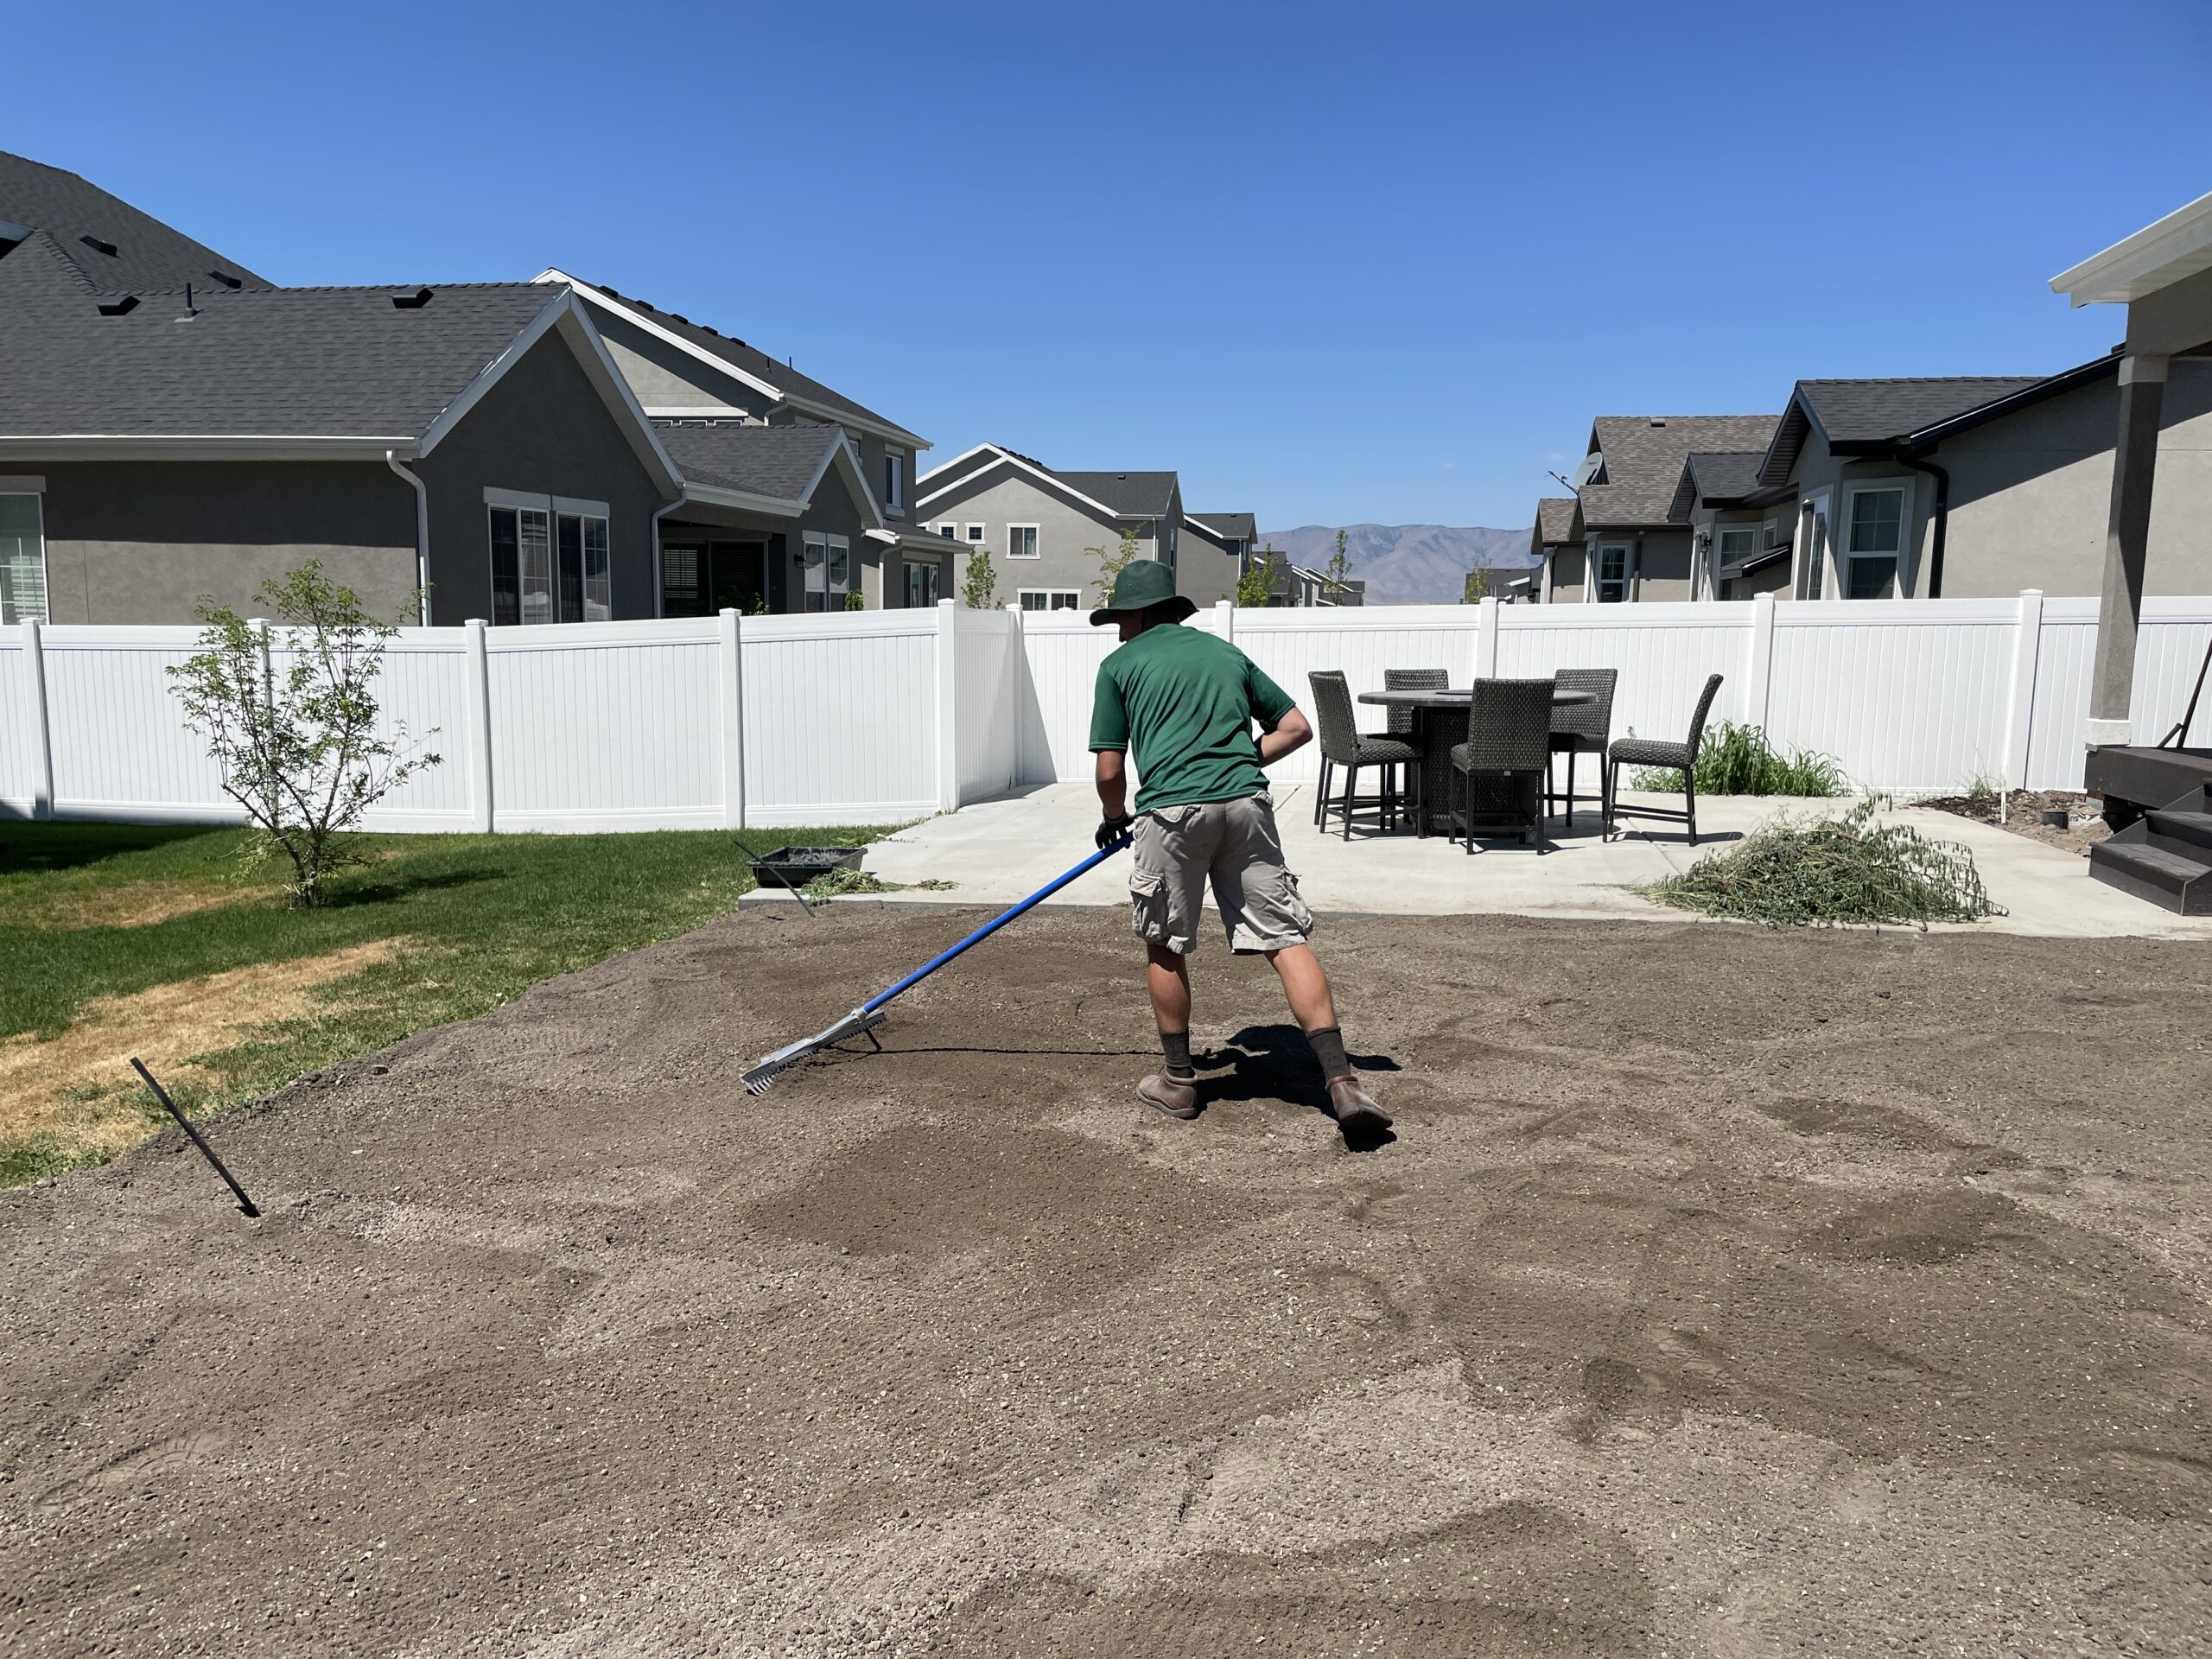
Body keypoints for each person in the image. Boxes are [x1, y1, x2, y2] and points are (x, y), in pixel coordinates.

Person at [1086, 561, 1389, 1136]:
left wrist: (1112, 817)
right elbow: (1296, 727)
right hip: (1246, 805)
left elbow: (1108, 770)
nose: (1119, 630)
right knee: (1284, 937)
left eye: (1121, 617)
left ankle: (1178, 1083)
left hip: (1172, 814)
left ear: (1143, 613)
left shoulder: (1119, 666)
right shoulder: (1225, 656)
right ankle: (1343, 1082)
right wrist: (1239, 763)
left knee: (1164, 943)